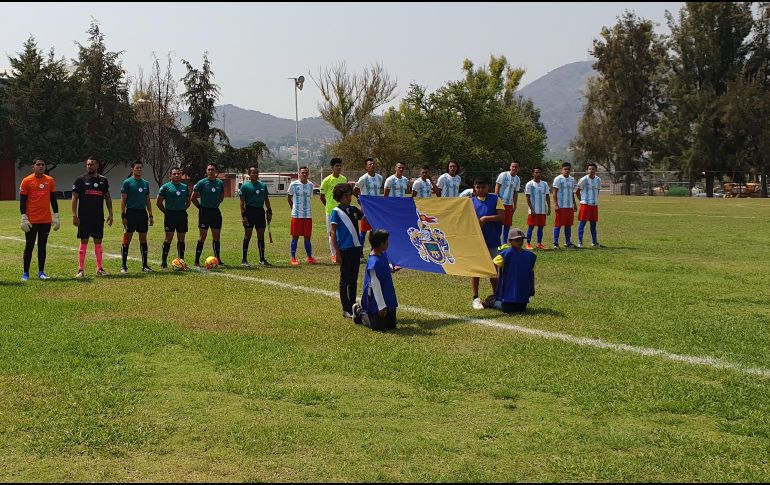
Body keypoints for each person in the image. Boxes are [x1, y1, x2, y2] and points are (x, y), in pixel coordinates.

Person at [72, 157, 113, 278]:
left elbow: (107, 197)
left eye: (92, 164)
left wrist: (110, 213)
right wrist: (74, 215)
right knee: (84, 241)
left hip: (98, 217)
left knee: (98, 241)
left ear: (97, 166)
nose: (89, 166)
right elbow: (74, 198)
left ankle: (99, 268)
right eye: (88, 165)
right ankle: (80, 270)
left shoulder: (103, 180)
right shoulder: (80, 180)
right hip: (84, 217)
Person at [352, 229, 401, 331]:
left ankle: (380, 314)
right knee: (378, 327)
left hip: (387, 294)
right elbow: (375, 284)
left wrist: (391, 268)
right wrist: (381, 306)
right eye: (386, 241)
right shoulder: (373, 263)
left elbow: (384, 264)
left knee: (391, 325)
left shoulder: (382, 254)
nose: (388, 243)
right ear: (381, 244)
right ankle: (359, 312)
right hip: (376, 298)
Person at [19, 159, 59, 281]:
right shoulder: (27, 181)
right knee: (29, 246)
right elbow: (22, 201)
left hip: (46, 220)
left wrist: (56, 216)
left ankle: (41, 272)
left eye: (43, 165)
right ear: (33, 167)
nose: (41, 166)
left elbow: (53, 199)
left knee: (42, 247)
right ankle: (25, 273)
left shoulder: (50, 180)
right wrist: (23, 218)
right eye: (38, 165)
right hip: (31, 221)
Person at [330, 183, 364, 319]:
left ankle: (352, 305)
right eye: (346, 196)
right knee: (345, 279)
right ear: (340, 197)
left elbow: (365, 216)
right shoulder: (336, 212)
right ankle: (345, 308)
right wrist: (336, 252)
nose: (349, 198)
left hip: (356, 249)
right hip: (344, 249)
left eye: (350, 195)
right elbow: (332, 233)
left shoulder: (354, 210)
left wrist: (365, 202)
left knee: (354, 279)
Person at [470, 176, 504, 310]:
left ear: (488, 187)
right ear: (474, 188)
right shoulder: (471, 202)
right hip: (476, 242)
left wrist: (485, 218)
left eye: (483, 187)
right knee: (475, 270)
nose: (480, 190)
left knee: (492, 270)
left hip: (492, 240)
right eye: (478, 187)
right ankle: (475, 298)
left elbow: (502, 217)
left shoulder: (495, 199)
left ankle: (496, 296)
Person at [485, 228, 536, 313]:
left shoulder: (529, 256)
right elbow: (493, 264)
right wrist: (496, 275)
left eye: (521, 239)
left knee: (521, 309)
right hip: (508, 290)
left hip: (522, 290)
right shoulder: (506, 254)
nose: (520, 242)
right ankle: (492, 301)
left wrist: (531, 288)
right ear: (510, 241)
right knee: (508, 309)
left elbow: (531, 273)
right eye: (517, 240)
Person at [120, 161, 154, 273]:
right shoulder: (127, 182)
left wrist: (150, 215)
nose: (139, 169)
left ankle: (145, 265)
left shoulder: (145, 183)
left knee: (143, 239)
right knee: (126, 240)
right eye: (137, 168)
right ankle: (123, 266)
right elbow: (123, 200)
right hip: (130, 214)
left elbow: (148, 201)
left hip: (142, 214)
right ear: (132, 169)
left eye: (140, 168)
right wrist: (123, 215)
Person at [156, 166, 191, 270]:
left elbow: (188, 202)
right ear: (170, 176)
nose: (176, 175)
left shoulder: (185, 187)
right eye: (174, 174)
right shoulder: (165, 187)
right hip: (170, 215)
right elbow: (158, 202)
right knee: (168, 239)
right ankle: (163, 262)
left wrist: (182, 209)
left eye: (178, 173)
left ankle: (181, 262)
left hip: (181, 215)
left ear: (181, 175)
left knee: (181, 239)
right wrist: (166, 212)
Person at [238, 165, 272, 266]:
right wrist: (243, 216)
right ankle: (244, 260)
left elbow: (266, 199)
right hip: (249, 212)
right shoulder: (245, 186)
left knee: (261, 236)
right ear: (249, 174)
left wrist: (269, 211)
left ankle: (262, 259)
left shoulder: (263, 185)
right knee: (247, 235)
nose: (255, 174)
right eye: (253, 172)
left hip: (260, 212)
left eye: (257, 172)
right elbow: (241, 203)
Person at [319, 157, 347, 263]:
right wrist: (328, 206)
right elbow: (322, 196)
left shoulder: (343, 179)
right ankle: (334, 254)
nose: (339, 167)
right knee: (332, 233)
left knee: (342, 232)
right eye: (337, 166)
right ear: (332, 167)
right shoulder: (326, 181)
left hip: (342, 210)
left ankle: (342, 252)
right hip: (331, 211)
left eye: (340, 166)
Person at [287, 166, 316, 265]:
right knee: (295, 237)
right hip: (296, 215)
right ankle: (293, 258)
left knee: (307, 237)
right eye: (302, 173)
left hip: (308, 215)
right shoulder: (293, 184)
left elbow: (309, 198)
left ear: (308, 174)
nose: (304, 174)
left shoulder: (311, 185)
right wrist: (294, 208)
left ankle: (309, 257)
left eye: (306, 173)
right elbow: (289, 198)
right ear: (299, 173)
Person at [354, 157, 383, 245]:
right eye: (370, 164)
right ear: (366, 167)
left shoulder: (380, 177)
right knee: (363, 230)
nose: (372, 165)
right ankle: (360, 252)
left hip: (376, 207)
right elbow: (355, 189)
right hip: (367, 207)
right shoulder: (363, 178)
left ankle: (374, 249)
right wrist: (360, 199)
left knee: (375, 229)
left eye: (373, 164)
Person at [576, 163, 603, 248]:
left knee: (593, 225)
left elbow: (597, 191)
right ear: (587, 170)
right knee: (582, 224)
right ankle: (580, 242)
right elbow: (577, 192)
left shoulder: (598, 180)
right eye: (590, 169)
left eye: (593, 169)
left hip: (594, 205)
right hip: (585, 205)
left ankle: (594, 242)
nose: (591, 171)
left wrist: (594, 200)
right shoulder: (583, 179)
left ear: (596, 170)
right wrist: (582, 200)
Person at [552, 161, 578, 249]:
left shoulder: (571, 179)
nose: (567, 171)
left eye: (568, 169)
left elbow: (571, 193)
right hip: (561, 206)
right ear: (562, 170)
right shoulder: (558, 179)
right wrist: (556, 204)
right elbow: (554, 192)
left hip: (569, 206)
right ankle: (555, 243)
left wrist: (574, 204)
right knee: (558, 224)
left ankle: (568, 242)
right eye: (565, 169)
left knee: (568, 225)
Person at [524, 166, 551, 250]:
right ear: (533, 173)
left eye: (539, 172)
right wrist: (531, 209)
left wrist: (549, 208)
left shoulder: (545, 184)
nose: (538, 174)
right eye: (536, 172)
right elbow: (527, 197)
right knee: (531, 227)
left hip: (542, 210)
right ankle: (528, 243)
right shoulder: (529, 184)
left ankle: (539, 243)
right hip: (533, 210)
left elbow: (547, 196)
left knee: (541, 227)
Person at [495, 160, 521, 244]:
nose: (514, 168)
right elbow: (497, 186)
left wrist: (515, 204)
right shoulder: (503, 175)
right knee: (498, 224)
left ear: (518, 168)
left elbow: (516, 192)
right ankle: (497, 242)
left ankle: (504, 243)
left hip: (509, 204)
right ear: (510, 167)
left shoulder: (517, 179)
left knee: (507, 224)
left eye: (516, 166)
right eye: (513, 166)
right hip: (500, 203)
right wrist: (496, 199)